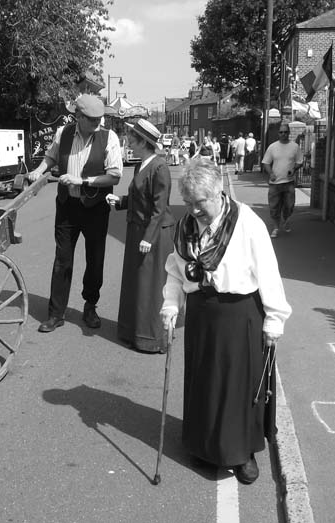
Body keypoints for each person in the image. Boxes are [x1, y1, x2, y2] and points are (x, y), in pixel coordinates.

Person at [159, 157, 291, 484]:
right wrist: (170, 305)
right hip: (202, 313)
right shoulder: (186, 226)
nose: (193, 210)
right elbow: (176, 271)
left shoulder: (247, 223)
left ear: (218, 192)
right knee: (204, 384)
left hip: (239, 313)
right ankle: (203, 448)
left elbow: (269, 274)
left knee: (238, 387)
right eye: (188, 203)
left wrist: (274, 320)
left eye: (199, 202)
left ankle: (242, 453)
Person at [27, 94, 123, 332]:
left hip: (95, 208)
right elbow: (50, 156)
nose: (97, 123)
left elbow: (115, 175)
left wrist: (82, 181)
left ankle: (90, 306)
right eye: (91, 119)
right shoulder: (64, 133)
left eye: (99, 119)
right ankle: (56, 313)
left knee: (95, 260)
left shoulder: (109, 137)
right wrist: (39, 170)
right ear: (78, 117)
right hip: (67, 206)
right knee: (62, 260)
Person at [105, 119, 175, 353]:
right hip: (137, 231)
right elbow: (138, 199)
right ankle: (132, 332)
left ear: (144, 143)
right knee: (136, 283)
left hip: (153, 235)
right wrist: (121, 202)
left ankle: (152, 338)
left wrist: (148, 237)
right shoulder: (140, 165)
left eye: (132, 140)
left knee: (150, 286)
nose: (129, 144)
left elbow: (159, 207)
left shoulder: (160, 167)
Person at [262, 122, 303, 238]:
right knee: (274, 207)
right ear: (278, 134)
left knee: (289, 206)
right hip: (275, 183)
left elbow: (300, 161)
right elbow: (266, 162)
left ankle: (286, 219)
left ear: (289, 133)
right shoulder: (272, 147)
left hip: (289, 182)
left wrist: (294, 169)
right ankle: (276, 227)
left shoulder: (294, 147)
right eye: (281, 132)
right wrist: (271, 173)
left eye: (285, 132)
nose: (283, 134)